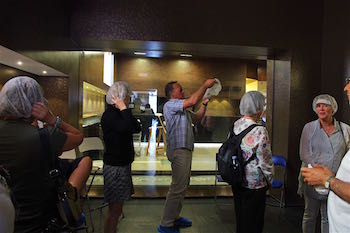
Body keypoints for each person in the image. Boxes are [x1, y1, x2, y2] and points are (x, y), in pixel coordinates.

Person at [0, 76, 89, 232]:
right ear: (37, 103)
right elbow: (78, 137)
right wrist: (52, 119)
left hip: (7, 221)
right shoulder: (45, 136)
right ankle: (73, 199)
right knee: (85, 161)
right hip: (40, 221)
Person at [157, 78, 216, 233]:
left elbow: (196, 118)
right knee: (177, 187)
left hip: (185, 149)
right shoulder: (170, 105)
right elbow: (191, 101)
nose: (182, 91)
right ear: (171, 93)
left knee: (182, 187)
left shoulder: (181, 108)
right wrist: (204, 85)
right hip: (179, 149)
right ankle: (166, 223)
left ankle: (174, 218)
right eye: (180, 89)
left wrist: (204, 104)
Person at [302, 81, 350, 233]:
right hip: (313, 180)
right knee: (310, 215)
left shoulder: (345, 129)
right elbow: (304, 153)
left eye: (325, 105)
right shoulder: (309, 128)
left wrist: (331, 177)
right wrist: (317, 174)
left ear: (333, 108)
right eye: (318, 105)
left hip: (337, 183)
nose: (321, 108)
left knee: (327, 215)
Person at [101, 81, 141, 233]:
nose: (130, 98)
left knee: (117, 210)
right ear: (120, 98)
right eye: (128, 96)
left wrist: (124, 110)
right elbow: (127, 127)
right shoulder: (110, 115)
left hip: (121, 166)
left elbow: (136, 127)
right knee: (114, 211)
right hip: (115, 168)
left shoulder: (120, 113)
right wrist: (124, 109)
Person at [231, 91, 273, 233]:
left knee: (241, 218)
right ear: (259, 108)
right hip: (255, 183)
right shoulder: (260, 131)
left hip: (237, 178)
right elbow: (264, 160)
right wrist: (270, 179)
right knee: (254, 221)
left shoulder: (236, 125)